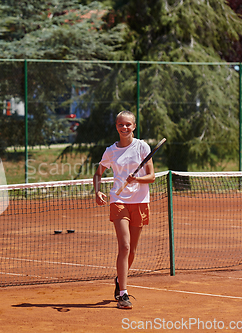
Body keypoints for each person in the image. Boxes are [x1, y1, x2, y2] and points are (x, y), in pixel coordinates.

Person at [92, 110, 155, 309]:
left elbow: (151, 176)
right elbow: (98, 173)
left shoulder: (142, 147)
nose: (124, 127)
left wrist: (136, 179)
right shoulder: (111, 151)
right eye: (120, 124)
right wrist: (97, 191)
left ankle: (120, 279)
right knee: (125, 246)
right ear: (116, 127)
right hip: (118, 200)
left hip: (140, 201)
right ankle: (123, 294)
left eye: (128, 124)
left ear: (134, 126)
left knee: (133, 250)